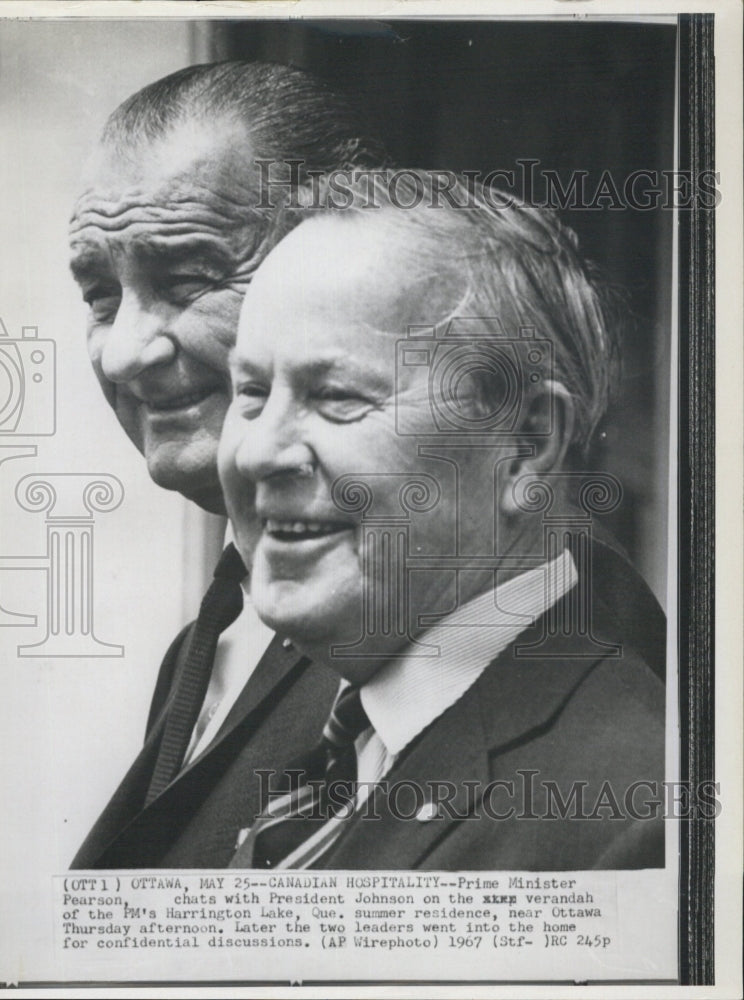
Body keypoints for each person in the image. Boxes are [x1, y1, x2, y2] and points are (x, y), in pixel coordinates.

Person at [220, 171, 666, 870]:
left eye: (335, 396)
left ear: (526, 445)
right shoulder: (290, 719)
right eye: (250, 391)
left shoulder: (634, 821)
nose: (257, 452)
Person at [68, 61, 387, 868]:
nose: (126, 354)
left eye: (187, 279)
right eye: (101, 295)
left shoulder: (487, 617)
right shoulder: (210, 640)